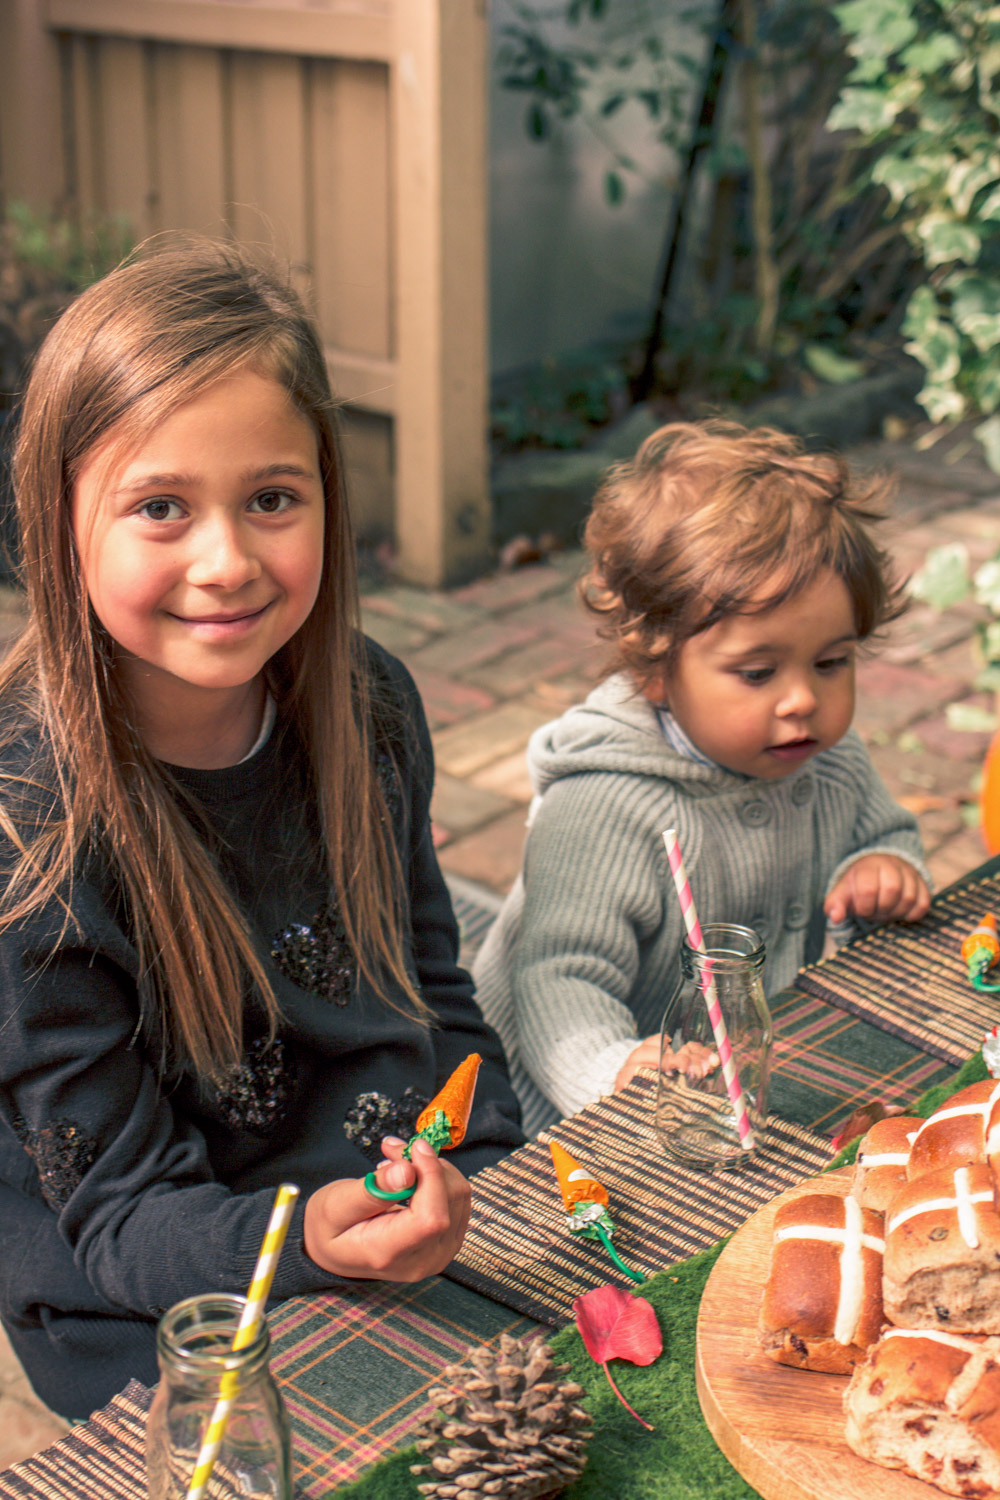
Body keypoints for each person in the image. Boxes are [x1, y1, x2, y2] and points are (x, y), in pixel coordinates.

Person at [0, 242, 523, 1420]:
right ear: (58, 522)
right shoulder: (24, 831)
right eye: (159, 508)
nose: (227, 562)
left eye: (271, 499)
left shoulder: (369, 703)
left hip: (372, 1193)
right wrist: (314, 1253)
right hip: (149, 1282)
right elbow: (119, 1211)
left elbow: (433, 996)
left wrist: (479, 1159)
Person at [473, 419, 931, 1138]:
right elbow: (558, 980)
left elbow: (883, 829)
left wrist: (884, 866)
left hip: (746, 1082)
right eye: (757, 672)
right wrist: (611, 1066)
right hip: (574, 1120)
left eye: (831, 662)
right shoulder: (601, 808)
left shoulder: (824, 758)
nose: (803, 699)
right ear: (655, 664)